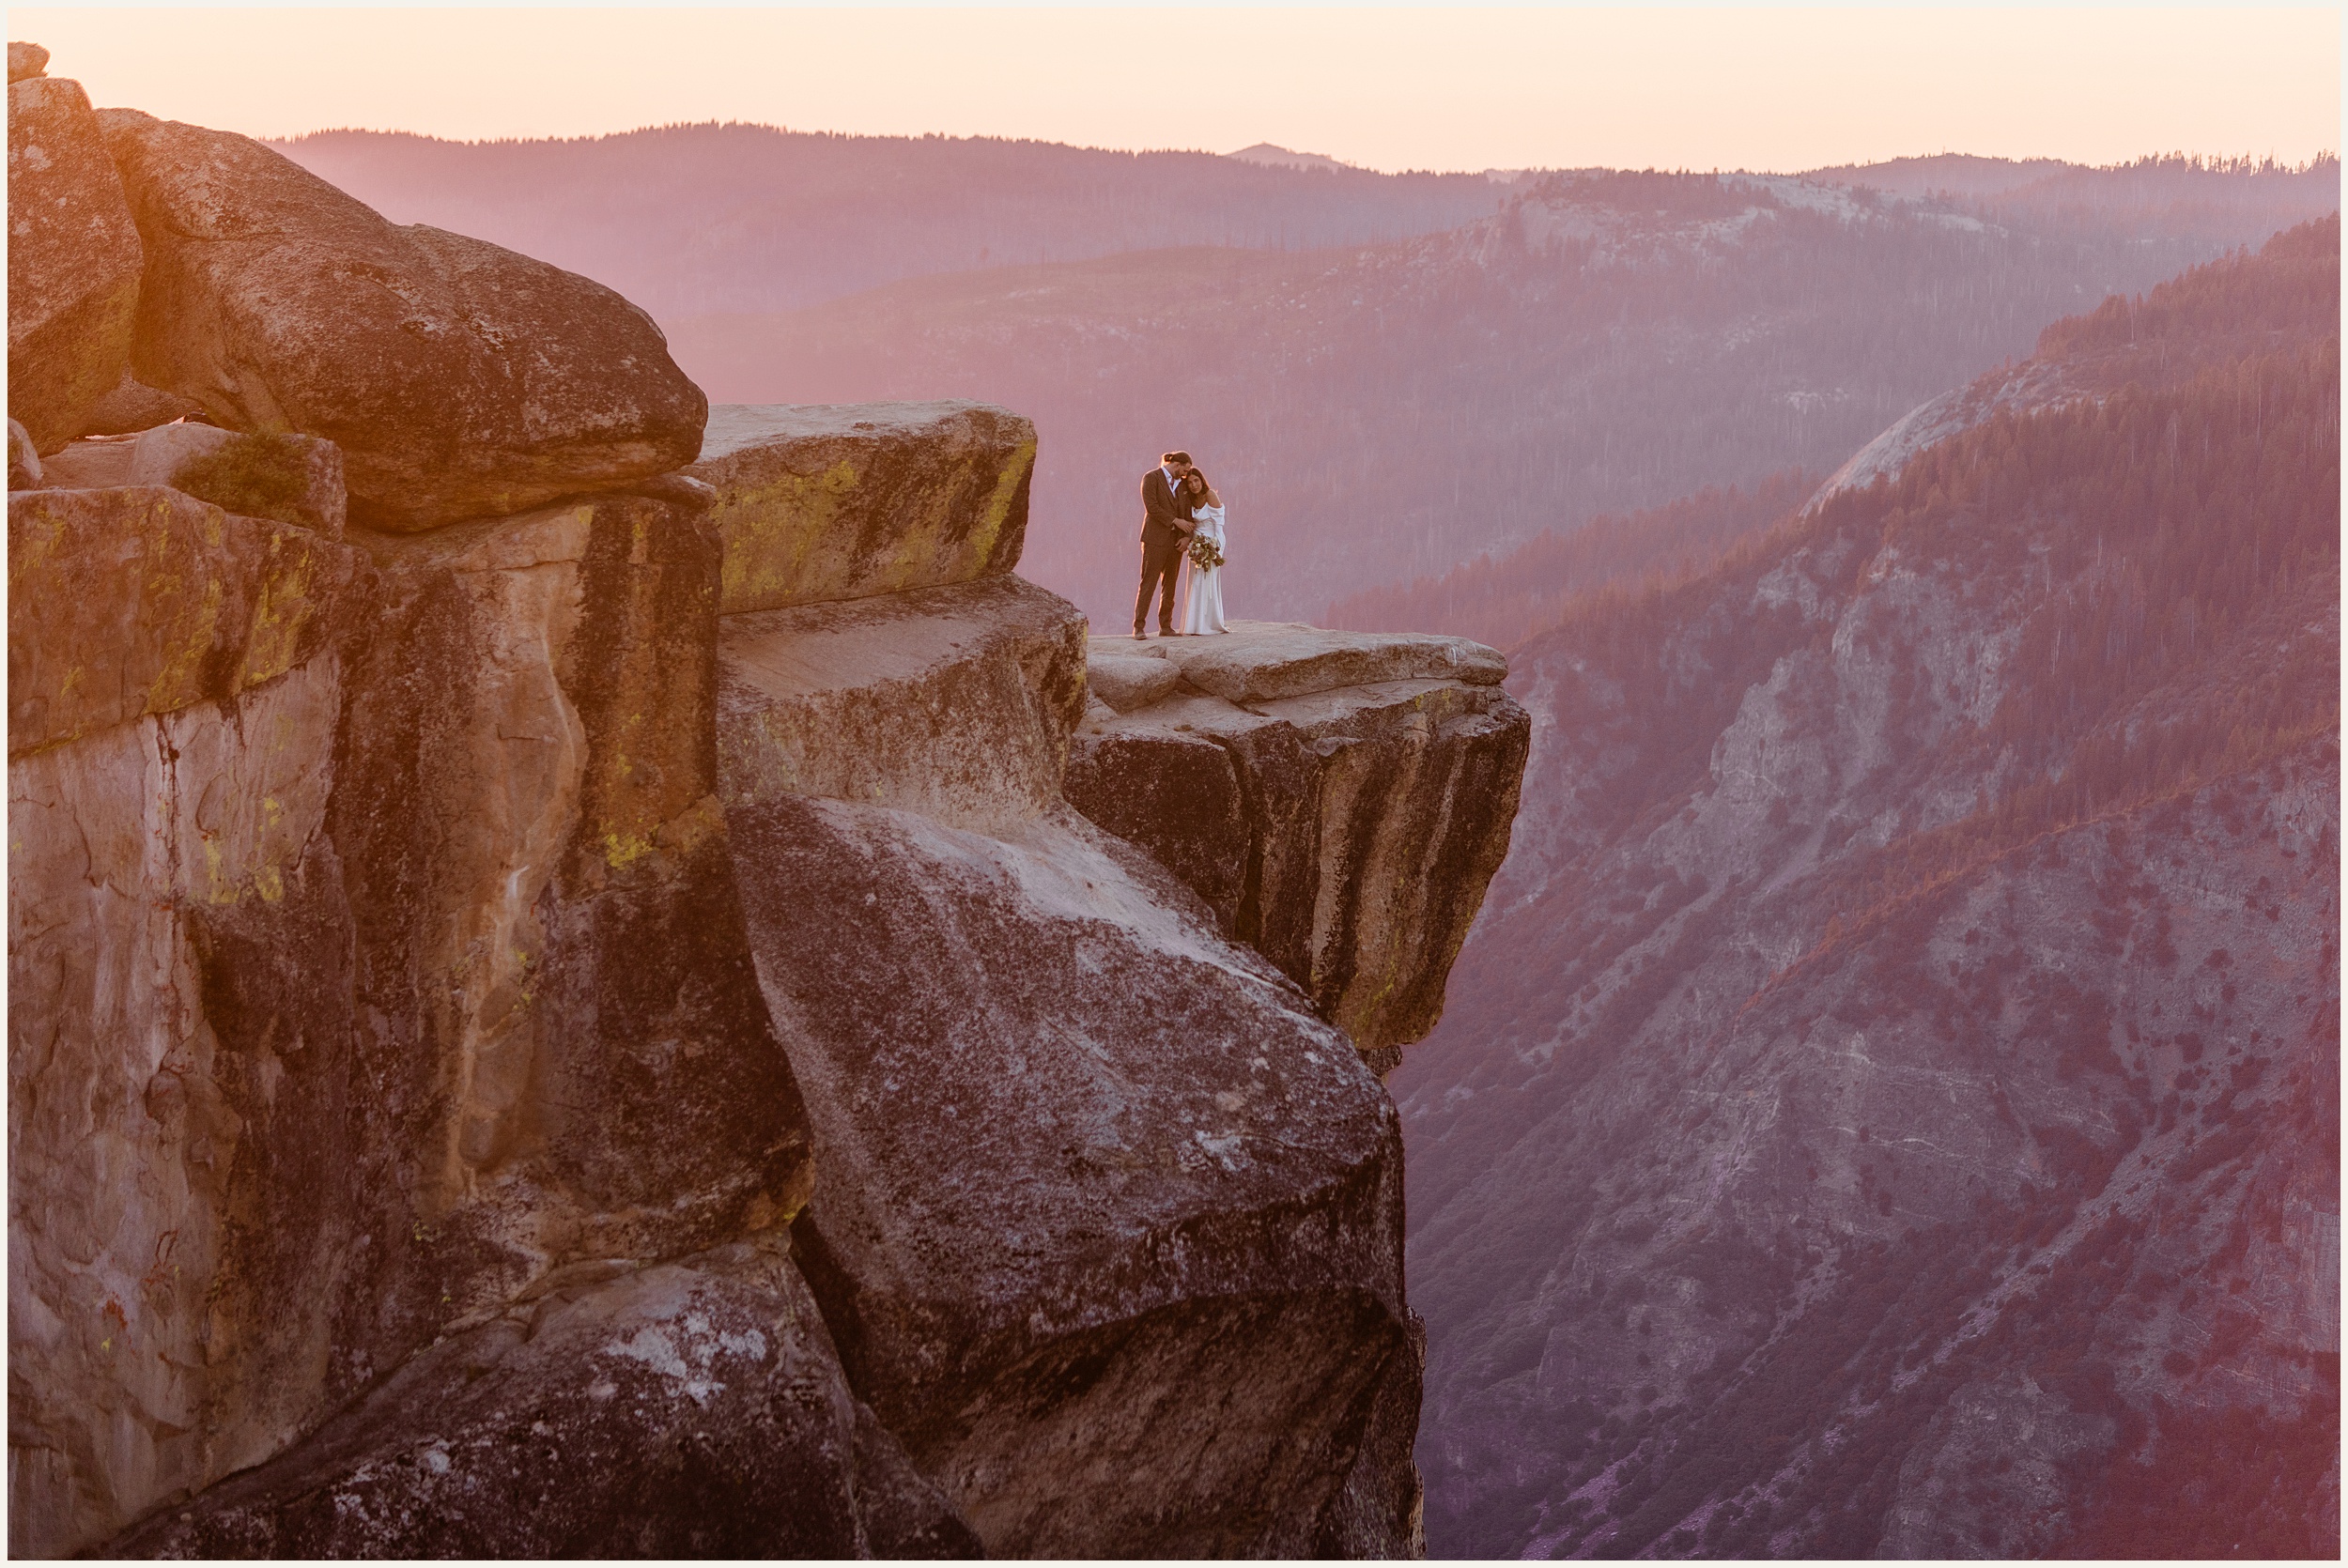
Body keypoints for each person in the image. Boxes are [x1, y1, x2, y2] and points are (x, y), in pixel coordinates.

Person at [1135, 449, 1195, 638]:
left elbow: (1188, 512)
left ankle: (1166, 626)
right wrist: (1175, 521)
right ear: (1176, 465)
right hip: (1155, 540)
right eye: (1184, 470)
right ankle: (1139, 627)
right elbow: (1152, 507)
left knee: (1170, 585)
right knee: (1149, 583)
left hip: (1175, 543)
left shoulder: (1183, 486)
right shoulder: (1151, 478)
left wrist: (1187, 537)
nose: (1186, 474)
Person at [1177, 468, 1228, 635]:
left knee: (1208, 581)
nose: (1193, 485)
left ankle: (1209, 624)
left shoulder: (1210, 495)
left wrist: (1215, 548)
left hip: (1212, 542)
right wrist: (1193, 544)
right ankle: (1193, 625)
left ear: (1201, 480)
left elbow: (1219, 524)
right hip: (1196, 545)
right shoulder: (1190, 499)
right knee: (1195, 581)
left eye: (1196, 481)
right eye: (1190, 482)